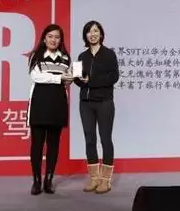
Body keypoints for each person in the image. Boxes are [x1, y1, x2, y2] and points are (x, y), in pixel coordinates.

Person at [26, 23, 73, 195]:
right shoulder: (36, 56)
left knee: (53, 144)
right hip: (39, 102)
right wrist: (59, 78)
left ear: (61, 40)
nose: (54, 40)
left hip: (57, 103)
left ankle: (49, 180)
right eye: (50, 36)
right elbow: (36, 76)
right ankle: (36, 181)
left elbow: (67, 80)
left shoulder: (66, 58)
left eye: (57, 37)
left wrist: (70, 79)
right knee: (37, 144)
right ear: (44, 39)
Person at [74, 20, 120, 194]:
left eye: (95, 31)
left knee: (105, 139)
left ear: (101, 34)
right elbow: (77, 79)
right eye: (89, 31)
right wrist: (78, 79)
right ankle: (94, 178)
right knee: (89, 139)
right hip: (85, 103)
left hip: (104, 102)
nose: (92, 34)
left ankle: (105, 181)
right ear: (85, 35)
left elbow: (114, 77)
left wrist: (91, 81)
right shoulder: (81, 56)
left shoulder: (109, 54)